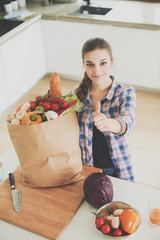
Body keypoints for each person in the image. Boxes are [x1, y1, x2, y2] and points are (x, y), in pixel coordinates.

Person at [71, 38, 136, 181]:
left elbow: (128, 123)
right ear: (85, 66)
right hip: (85, 169)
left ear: (112, 62)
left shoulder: (125, 93)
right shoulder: (75, 95)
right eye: (90, 64)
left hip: (116, 170)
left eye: (103, 63)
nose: (97, 70)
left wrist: (108, 123)